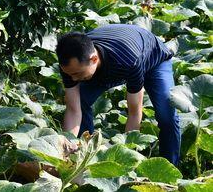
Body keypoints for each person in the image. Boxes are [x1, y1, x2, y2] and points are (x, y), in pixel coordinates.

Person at [55, 24, 180, 165]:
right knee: (81, 100)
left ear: (94, 59)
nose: (73, 79)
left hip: (153, 59)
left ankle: (170, 168)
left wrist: (125, 160)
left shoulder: (129, 61)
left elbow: (134, 113)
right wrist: (66, 145)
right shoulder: (70, 65)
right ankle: (83, 156)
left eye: (77, 73)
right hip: (107, 65)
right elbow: (73, 109)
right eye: (69, 74)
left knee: (167, 115)